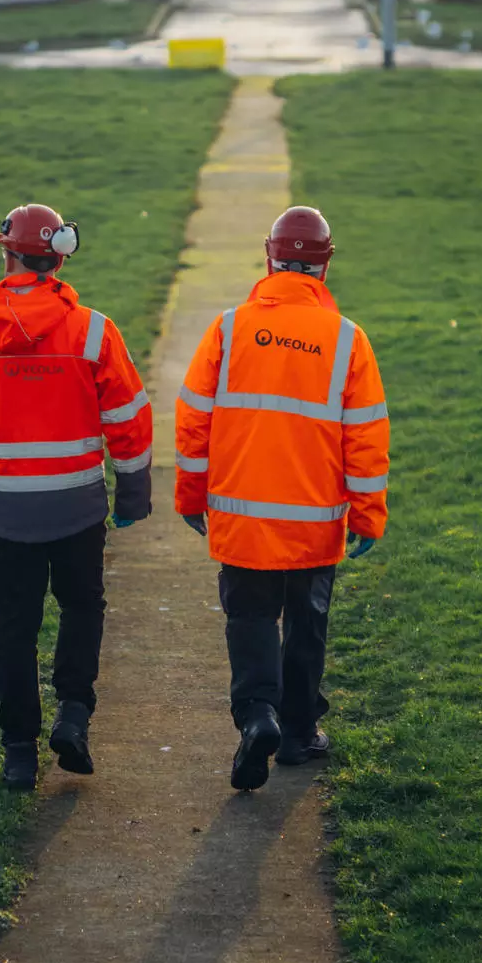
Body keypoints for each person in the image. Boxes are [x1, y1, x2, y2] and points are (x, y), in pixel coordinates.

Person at [0, 203, 155, 790]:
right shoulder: (94, 330)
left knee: (15, 627)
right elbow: (127, 416)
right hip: (77, 504)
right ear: (58, 259)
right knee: (82, 607)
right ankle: (73, 716)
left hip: (4, 508)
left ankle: (18, 753)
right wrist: (131, 490)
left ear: (7, 253)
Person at [174, 204, 388, 792]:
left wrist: (193, 496)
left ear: (269, 257)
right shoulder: (348, 341)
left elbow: (193, 421)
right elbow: (366, 435)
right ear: (325, 265)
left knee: (249, 616)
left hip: (242, 515)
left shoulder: (228, 328)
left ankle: (257, 715)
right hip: (315, 521)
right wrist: (367, 515)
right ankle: (296, 734)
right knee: (305, 622)